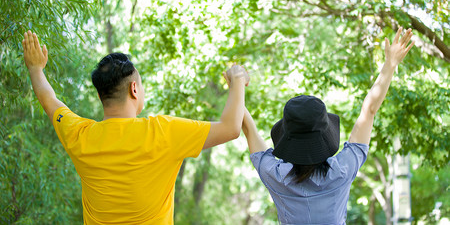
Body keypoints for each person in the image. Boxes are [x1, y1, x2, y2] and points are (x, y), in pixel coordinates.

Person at [22, 30, 249, 224]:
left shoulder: (80, 135)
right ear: (134, 89)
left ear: (101, 95)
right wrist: (238, 79)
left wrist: (35, 68)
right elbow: (231, 128)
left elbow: (50, 102)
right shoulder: (163, 132)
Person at [241, 27, 414, 224]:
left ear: (287, 137)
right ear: (324, 135)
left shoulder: (276, 176)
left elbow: (247, 127)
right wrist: (390, 65)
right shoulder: (342, 171)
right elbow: (369, 111)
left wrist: (237, 82)